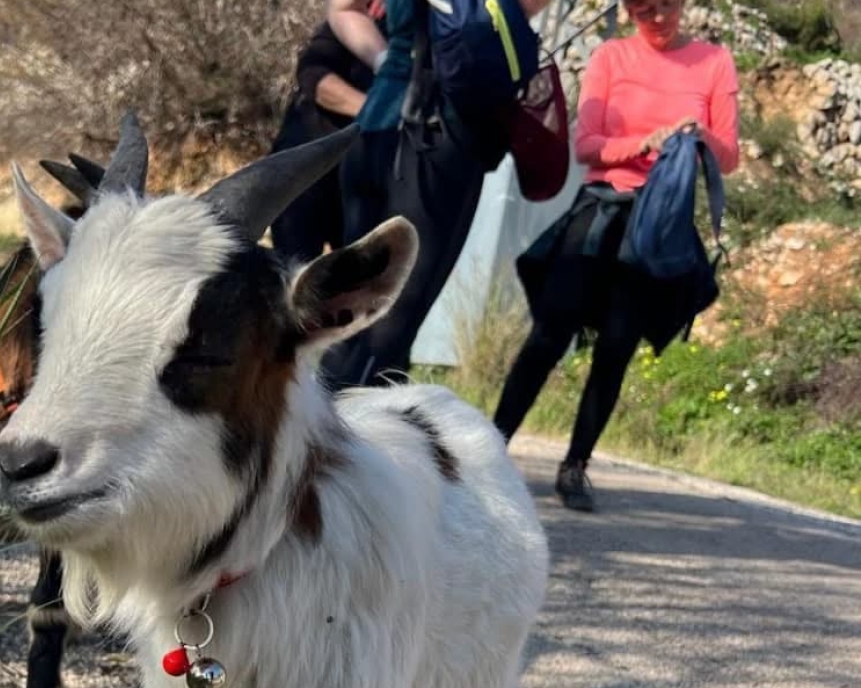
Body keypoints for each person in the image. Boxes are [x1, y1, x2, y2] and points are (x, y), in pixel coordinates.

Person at [491, 0, 740, 512]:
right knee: (548, 333)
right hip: (602, 205)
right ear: (628, 11)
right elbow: (587, 146)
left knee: (618, 345)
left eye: (666, 5)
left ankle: (575, 466)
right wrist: (642, 142)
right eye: (644, 9)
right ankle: (490, 447)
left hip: (657, 222)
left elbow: (729, 157)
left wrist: (697, 132)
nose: (658, 17)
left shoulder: (714, 61)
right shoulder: (611, 56)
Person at [321, 0, 554, 389]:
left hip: (376, 123)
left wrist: (386, 61)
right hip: (441, 137)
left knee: (354, 301)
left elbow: (343, 9)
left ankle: (316, 422)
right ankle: (340, 437)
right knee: (396, 310)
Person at [269, 4, 380, 262]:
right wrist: (374, 110)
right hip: (305, 175)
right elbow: (315, 78)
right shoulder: (350, 27)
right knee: (294, 272)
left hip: (360, 180)